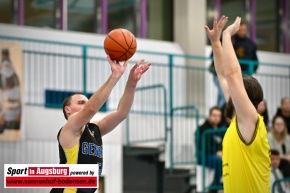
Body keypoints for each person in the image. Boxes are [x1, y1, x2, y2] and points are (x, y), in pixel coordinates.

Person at [50, 56, 151, 193]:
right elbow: (91, 108)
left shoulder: (94, 129)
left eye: (87, 102)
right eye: (81, 103)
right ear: (67, 110)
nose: (86, 105)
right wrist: (115, 76)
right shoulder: (70, 128)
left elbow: (121, 113)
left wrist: (131, 82)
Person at [205, 16, 270, 193]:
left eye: (238, 90)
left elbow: (233, 75)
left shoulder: (251, 119)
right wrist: (215, 42)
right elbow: (223, 76)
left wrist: (227, 35)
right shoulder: (238, 121)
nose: (233, 90)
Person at [197, 106, 225, 193]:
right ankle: (214, 187)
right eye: (214, 115)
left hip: (218, 156)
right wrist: (216, 152)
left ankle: (217, 184)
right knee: (220, 161)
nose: (216, 118)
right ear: (209, 116)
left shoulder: (221, 129)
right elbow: (202, 145)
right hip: (205, 156)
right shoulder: (202, 129)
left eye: (218, 116)